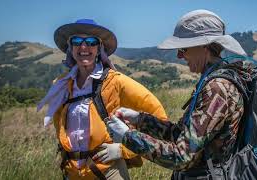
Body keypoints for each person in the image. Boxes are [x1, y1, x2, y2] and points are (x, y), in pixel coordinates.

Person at [105, 10, 257, 179]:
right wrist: (139, 120)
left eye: (184, 48)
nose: (179, 55)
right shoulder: (212, 81)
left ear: (205, 46)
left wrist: (128, 137)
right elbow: (181, 135)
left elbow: (182, 157)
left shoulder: (217, 89)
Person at [37, 19, 167, 180]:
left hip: (108, 171)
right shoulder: (61, 85)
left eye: (91, 42)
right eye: (77, 41)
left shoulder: (115, 81)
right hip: (71, 172)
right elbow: (60, 127)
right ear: (70, 48)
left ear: (99, 48)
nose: (84, 47)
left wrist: (123, 149)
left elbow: (158, 117)